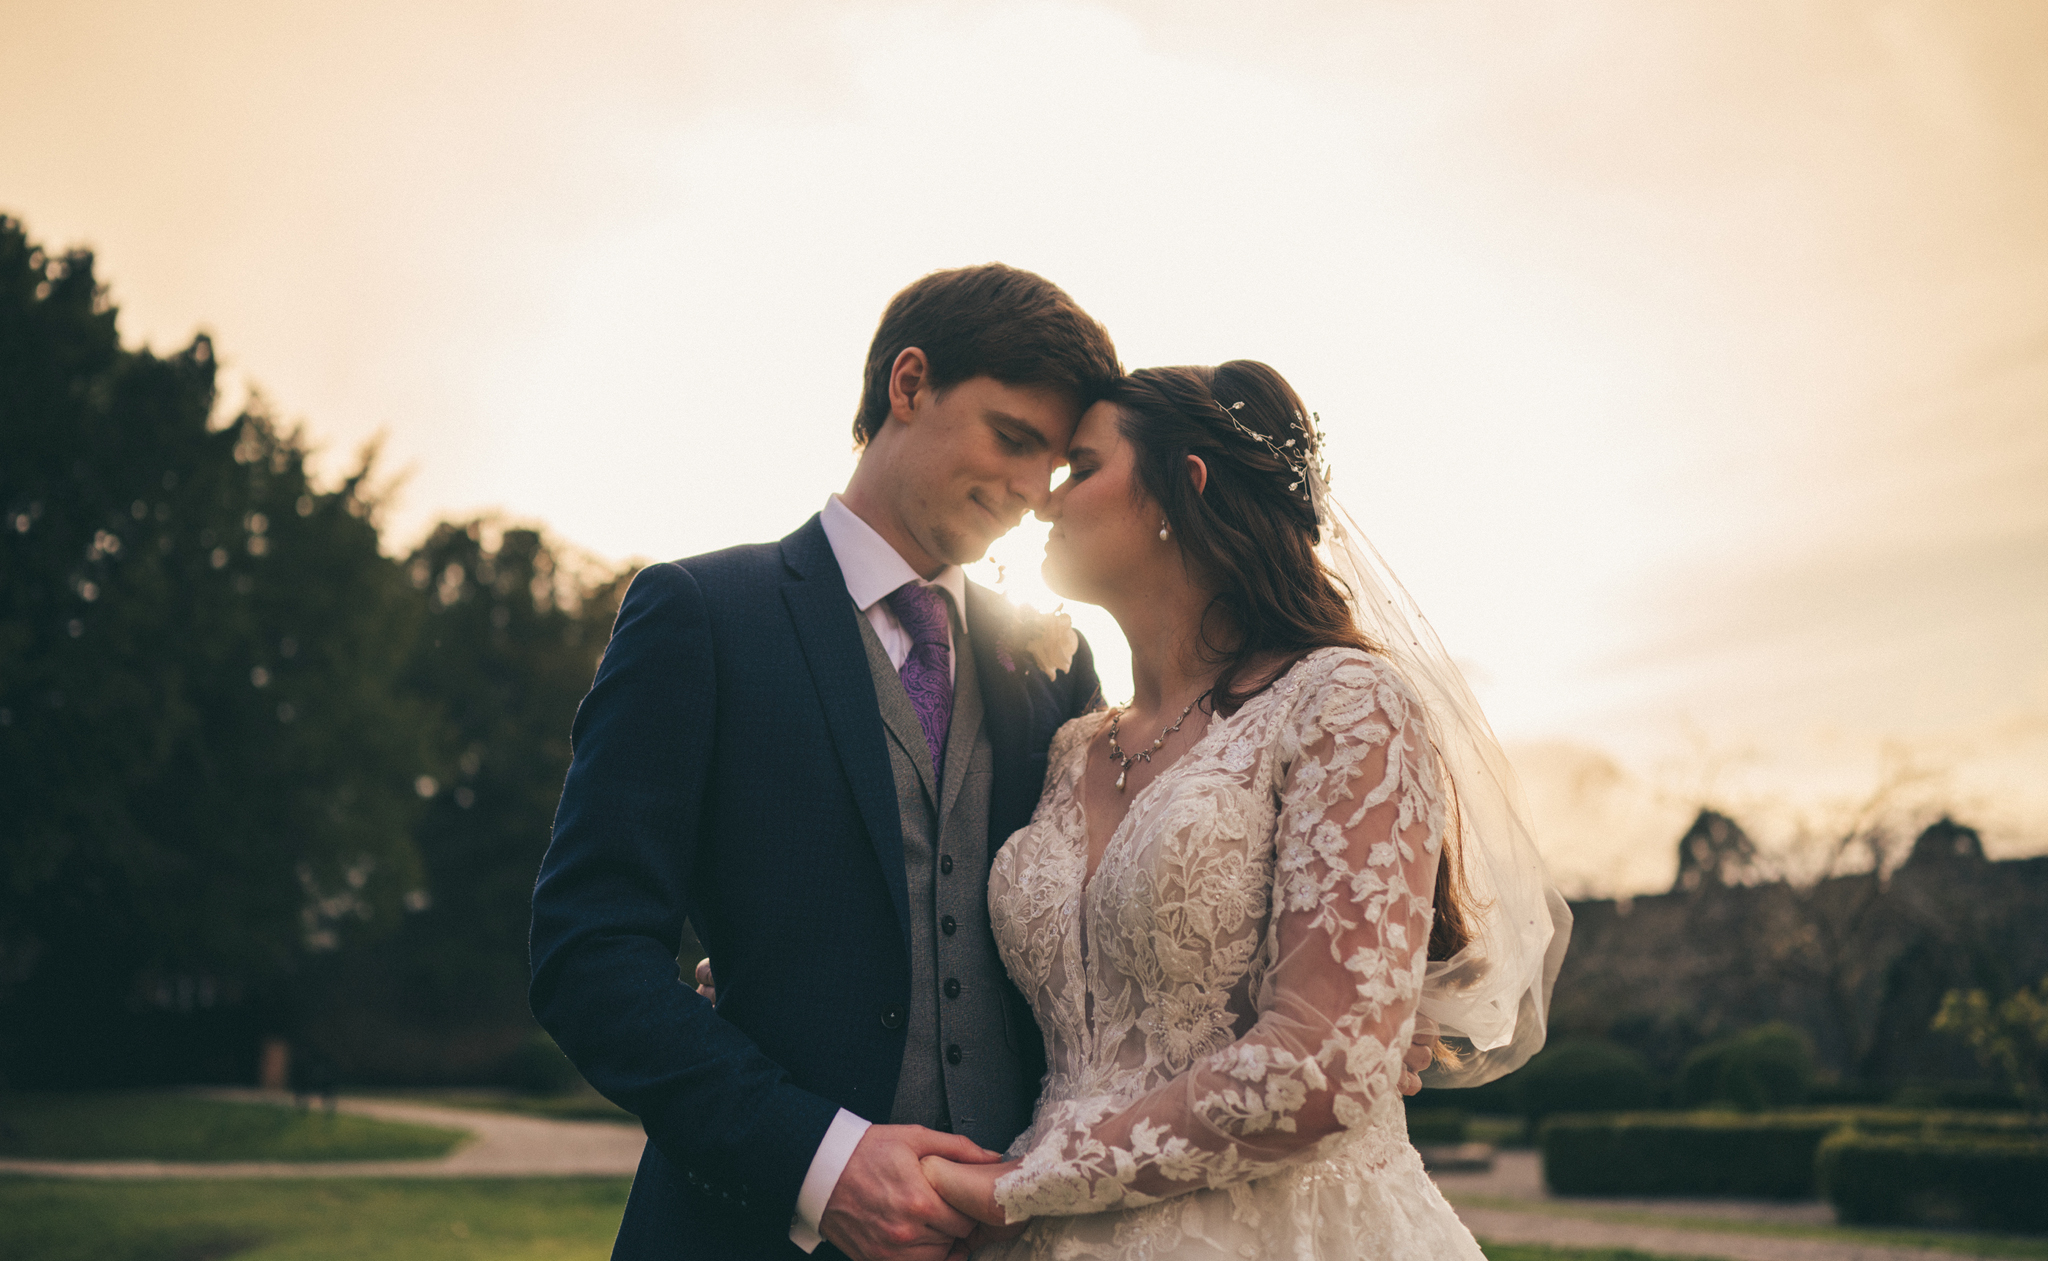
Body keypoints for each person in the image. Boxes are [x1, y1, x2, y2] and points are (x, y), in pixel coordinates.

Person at [529, 263, 1121, 1261]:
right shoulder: (701, 615)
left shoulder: (1051, 665)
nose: (1029, 493)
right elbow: (587, 956)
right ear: (908, 383)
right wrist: (820, 1160)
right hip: (746, 1231)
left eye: (1051, 465)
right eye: (1012, 438)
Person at [918, 361, 1571, 1259]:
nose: (1044, 500)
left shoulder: (1344, 703)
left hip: (1283, 1229)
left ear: (1182, 487)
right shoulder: (1072, 748)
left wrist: (1026, 1181)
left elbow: (1325, 1063)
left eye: (1081, 466)